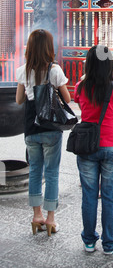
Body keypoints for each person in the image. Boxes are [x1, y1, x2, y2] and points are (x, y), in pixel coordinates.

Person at [74, 45, 113, 254]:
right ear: (109, 64)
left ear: (88, 62)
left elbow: (82, 107)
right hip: (112, 146)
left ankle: (89, 241)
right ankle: (109, 243)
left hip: (87, 146)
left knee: (88, 195)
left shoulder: (80, 86)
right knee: (109, 196)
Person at [16, 29, 71, 237]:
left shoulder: (23, 70)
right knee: (52, 173)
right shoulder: (54, 70)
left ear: (30, 48)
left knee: (34, 172)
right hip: (51, 128)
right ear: (49, 47)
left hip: (31, 127)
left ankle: (36, 216)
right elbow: (67, 99)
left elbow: (19, 100)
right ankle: (51, 218)